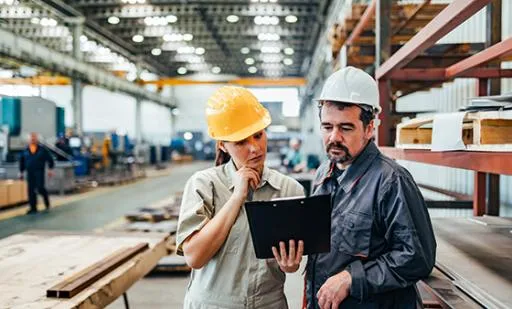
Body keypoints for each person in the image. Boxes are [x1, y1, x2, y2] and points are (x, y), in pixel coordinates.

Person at [302, 67, 436, 308]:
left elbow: (418, 258)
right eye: (327, 126)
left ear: (369, 128)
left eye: (345, 128)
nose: (334, 137)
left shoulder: (391, 181)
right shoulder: (324, 172)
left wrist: (353, 278)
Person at [176, 86, 306, 309]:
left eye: (258, 135)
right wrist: (237, 197)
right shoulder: (204, 185)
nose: (254, 148)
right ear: (222, 145)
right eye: (241, 142)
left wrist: (291, 266)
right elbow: (195, 257)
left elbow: (292, 260)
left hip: (268, 303)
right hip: (212, 304)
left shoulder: (289, 190)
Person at [19, 132, 55, 214]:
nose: (33, 139)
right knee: (31, 190)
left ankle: (46, 200)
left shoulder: (43, 149)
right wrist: (21, 172)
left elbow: (50, 160)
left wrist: (50, 169)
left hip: (39, 171)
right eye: (31, 138)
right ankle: (33, 207)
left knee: (40, 187)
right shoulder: (25, 150)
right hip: (30, 172)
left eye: (34, 138)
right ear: (28, 140)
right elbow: (22, 161)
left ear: (37, 139)